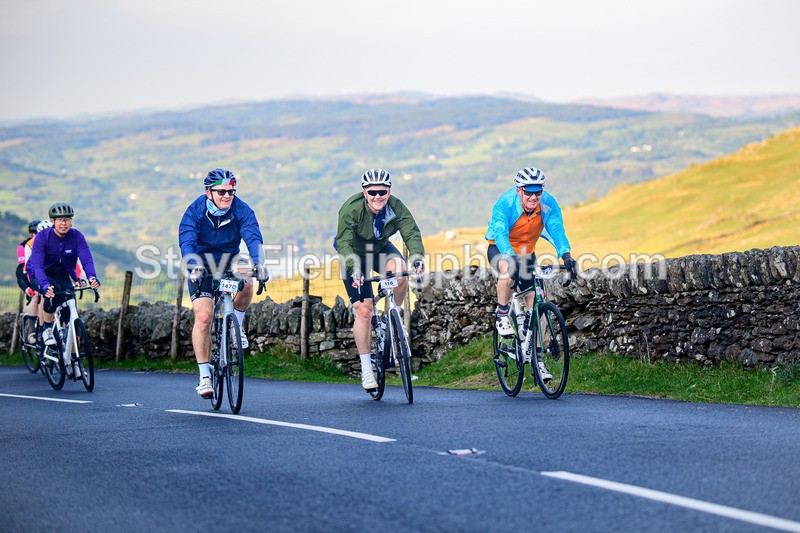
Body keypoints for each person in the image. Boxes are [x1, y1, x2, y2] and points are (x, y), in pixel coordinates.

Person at [178, 168, 268, 399]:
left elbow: (253, 236)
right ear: (209, 193)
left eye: (231, 191)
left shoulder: (241, 209)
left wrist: (259, 264)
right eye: (221, 192)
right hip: (201, 262)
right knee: (204, 317)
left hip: (230, 259)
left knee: (247, 281)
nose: (227, 196)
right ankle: (204, 376)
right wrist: (193, 265)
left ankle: (235, 326)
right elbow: (186, 239)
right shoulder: (195, 210)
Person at [335, 168, 425, 391]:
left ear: (389, 191)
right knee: (364, 310)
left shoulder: (396, 206)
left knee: (401, 270)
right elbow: (344, 243)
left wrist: (416, 258)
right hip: (354, 254)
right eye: (373, 192)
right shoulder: (350, 209)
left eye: (382, 192)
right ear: (365, 192)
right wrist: (355, 269)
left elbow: (411, 232)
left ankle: (391, 315)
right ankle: (367, 370)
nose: (378, 197)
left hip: (380, 249)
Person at [484, 167, 578, 380]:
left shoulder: (548, 204)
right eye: (529, 192)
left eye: (538, 192)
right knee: (507, 271)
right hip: (500, 247)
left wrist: (566, 256)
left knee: (538, 303)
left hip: (527, 253)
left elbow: (556, 229)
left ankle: (537, 358)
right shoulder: (505, 203)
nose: (534, 197)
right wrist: (509, 256)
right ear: (519, 191)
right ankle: (502, 314)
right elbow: (499, 232)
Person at [27, 204, 101, 358]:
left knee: (69, 314)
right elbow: (38, 266)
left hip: (63, 275)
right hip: (40, 274)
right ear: (52, 221)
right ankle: (47, 328)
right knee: (51, 292)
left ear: (71, 221)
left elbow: (86, 260)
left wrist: (92, 277)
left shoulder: (77, 236)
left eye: (67, 219)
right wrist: (45, 285)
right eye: (60, 220)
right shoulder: (42, 237)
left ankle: (74, 359)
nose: (64, 223)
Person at [16, 220, 41, 344]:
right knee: (36, 296)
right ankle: (31, 331)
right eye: (33, 233)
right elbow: (22, 270)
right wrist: (27, 288)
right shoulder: (24, 247)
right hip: (29, 276)